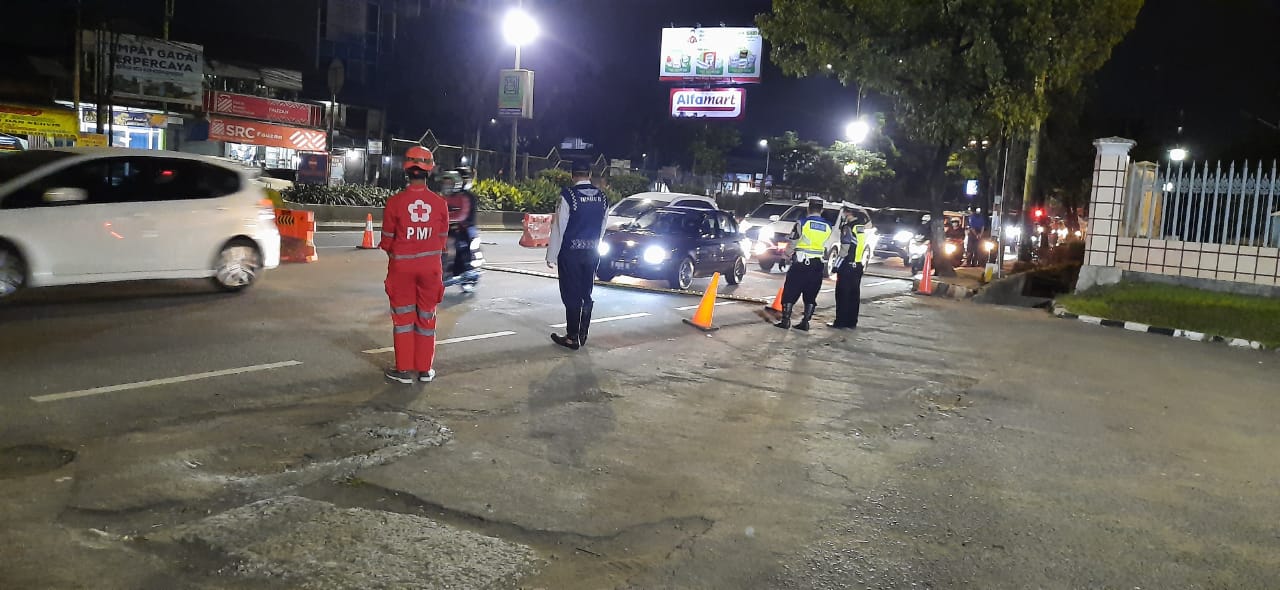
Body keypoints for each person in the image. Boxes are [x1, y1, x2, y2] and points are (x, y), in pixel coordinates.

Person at [380, 146, 449, 384]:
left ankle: (404, 371)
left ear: (406, 170)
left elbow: (387, 241)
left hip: (402, 269)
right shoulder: (440, 204)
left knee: (403, 320)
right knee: (426, 318)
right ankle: (424, 370)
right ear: (429, 171)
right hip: (431, 270)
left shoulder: (395, 203)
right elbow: (442, 239)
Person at [547, 161, 609, 350]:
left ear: (573, 175)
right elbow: (602, 228)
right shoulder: (602, 197)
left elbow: (559, 228)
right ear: (589, 174)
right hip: (592, 253)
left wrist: (552, 255)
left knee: (571, 294)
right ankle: (583, 332)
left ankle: (572, 337)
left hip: (570, 255)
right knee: (585, 292)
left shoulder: (568, 196)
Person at [775, 199, 832, 331]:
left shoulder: (802, 223)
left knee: (790, 291)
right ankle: (805, 322)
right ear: (821, 210)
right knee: (811, 294)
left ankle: (785, 321)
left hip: (801, 263)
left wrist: (785, 256)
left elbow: (793, 241)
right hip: (817, 264)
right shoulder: (828, 226)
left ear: (808, 209)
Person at [828, 206, 868, 329]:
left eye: (844, 212)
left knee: (842, 295)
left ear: (848, 213)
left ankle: (840, 322)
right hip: (858, 265)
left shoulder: (848, 228)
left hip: (847, 266)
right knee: (854, 296)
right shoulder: (860, 226)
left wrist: (836, 266)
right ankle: (851, 322)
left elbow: (844, 250)